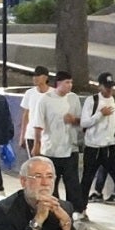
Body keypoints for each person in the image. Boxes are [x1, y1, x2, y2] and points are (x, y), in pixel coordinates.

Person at [0, 156, 76, 230]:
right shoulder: (4, 209)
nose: (45, 183)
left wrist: (66, 223)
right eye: (38, 176)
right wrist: (38, 220)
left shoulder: (65, 207)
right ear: (23, 181)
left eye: (50, 177)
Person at [75, 72, 115, 223]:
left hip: (109, 146)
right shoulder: (91, 101)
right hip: (93, 147)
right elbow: (84, 123)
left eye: (111, 87)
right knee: (87, 179)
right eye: (106, 87)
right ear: (100, 86)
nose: (109, 90)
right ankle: (81, 209)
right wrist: (100, 114)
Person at [30, 71, 83, 206]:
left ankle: (75, 209)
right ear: (58, 83)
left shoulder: (73, 98)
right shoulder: (46, 99)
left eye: (71, 82)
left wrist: (74, 120)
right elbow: (38, 124)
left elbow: (81, 121)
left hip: (70, 147)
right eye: (67, 82)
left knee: (72, 182)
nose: (70, 85)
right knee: (52, 181)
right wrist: (37, 144)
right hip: (51, 149)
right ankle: (53, 206)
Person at [18, 66, 52, 157]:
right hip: (31, 135)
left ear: (45, 78)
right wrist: (22, 136)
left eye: (38, 76)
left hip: (48, 137)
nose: (35, 78)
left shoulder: (53, 94)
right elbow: (25, 115)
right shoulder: (29, 93)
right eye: (34, 76)